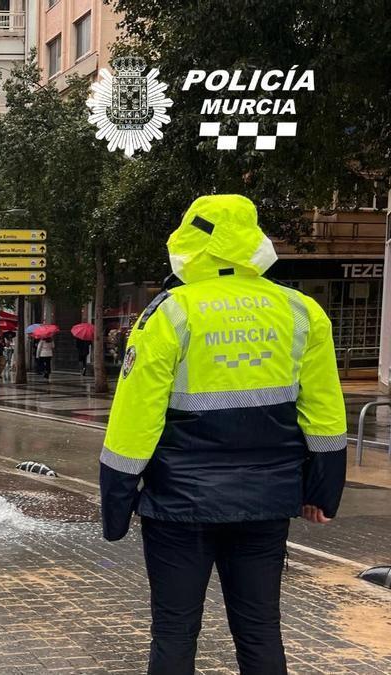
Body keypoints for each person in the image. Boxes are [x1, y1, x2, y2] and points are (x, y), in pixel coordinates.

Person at [99, 195, 347, 675]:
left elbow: (134, 418)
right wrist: (322, 490)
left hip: (179, 508)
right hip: (267, 502)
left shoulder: (170, 313)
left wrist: (117, 502)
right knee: (260, 629)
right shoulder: (301, 311)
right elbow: (324, 412)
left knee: (174, 633)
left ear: (189, 243)